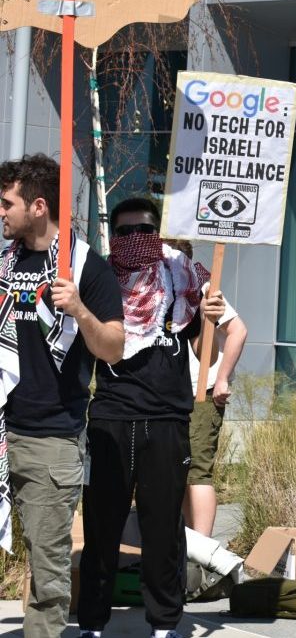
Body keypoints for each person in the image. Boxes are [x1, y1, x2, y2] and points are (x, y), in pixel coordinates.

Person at [79, 198, 225, 638]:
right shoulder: (100, 282)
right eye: (121, 233)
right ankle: (92, 623)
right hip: (111, 417)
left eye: (141, 231)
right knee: (101, 527)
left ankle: (164, 623)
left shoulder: (184, 282)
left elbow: (206, 354)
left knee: (163, 531)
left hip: (166, 420)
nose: (131, 242)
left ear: (157, 234)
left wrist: (210, 319)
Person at [0, 154, 124, 638]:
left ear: (37, 206)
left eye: (6, 204)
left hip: (52, 440)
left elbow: (113, 348)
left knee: (48, 573)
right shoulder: (5, 264)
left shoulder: (86, 266)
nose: (0, 213)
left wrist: (80, 310)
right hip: (3, 429)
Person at [164, 239, 249, 538]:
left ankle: (200, 548)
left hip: (201, 391)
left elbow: (238, 329)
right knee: (178, 471)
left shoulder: (203, 289)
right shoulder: (156, 291)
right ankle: (185, 542)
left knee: (197, 470)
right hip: (168, 394)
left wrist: (223, 377)